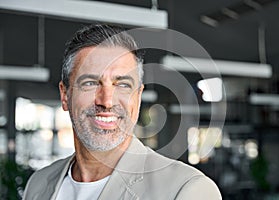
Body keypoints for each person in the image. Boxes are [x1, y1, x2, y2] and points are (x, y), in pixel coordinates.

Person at [23, 24, 222, 200]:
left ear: (138, 96)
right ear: (65, 95)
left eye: (123, 85)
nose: (107, 101)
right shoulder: (38, 184)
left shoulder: (188, 190)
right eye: (90, 83)